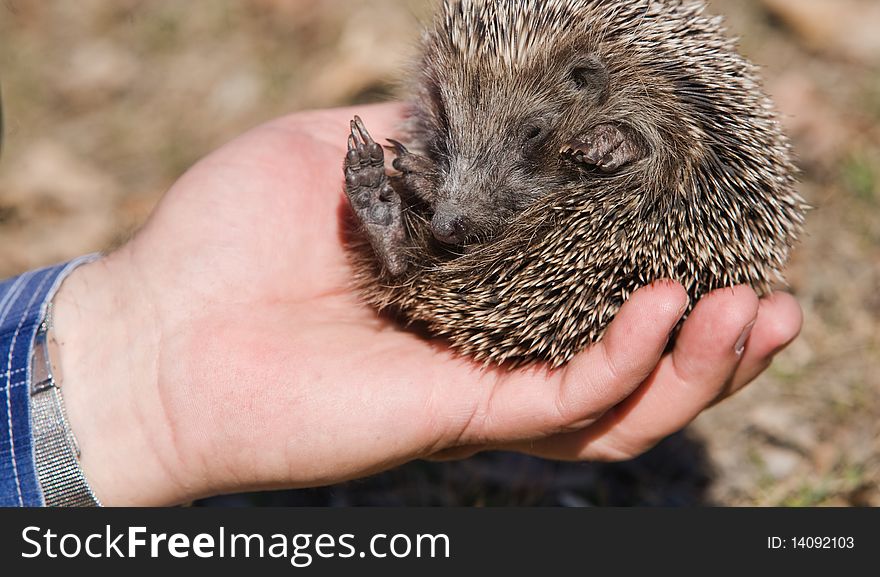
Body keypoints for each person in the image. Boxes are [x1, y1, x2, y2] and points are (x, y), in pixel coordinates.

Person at [0, 104, 802, 507]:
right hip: (471, 275)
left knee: (457, 224)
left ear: (591, 92)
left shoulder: (638, 115)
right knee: (443, 232)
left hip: (615, 229)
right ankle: (404, 248)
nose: (454, 209)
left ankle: (411, 245)